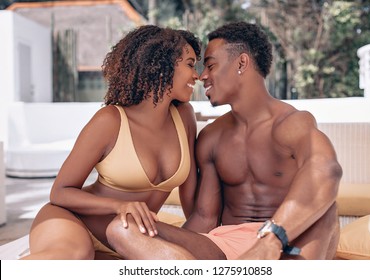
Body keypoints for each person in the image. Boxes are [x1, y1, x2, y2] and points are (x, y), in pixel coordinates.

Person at [106, 21, 343, 260]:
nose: (203, 76)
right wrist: (163, 245)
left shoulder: (292, 124)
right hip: (227, 246)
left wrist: (269, 241)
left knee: (327, 209)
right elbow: (205, 217)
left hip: (286, 242)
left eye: (210, 65)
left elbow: (326, 170)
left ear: (241, 63)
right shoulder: (212, 137)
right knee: (122, 228)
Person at [21, 25, 201, 260]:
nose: (196, 75)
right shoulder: (110, 120)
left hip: (128, 238)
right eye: (190, 64)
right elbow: (60, 192)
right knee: (75, 256)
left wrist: (196, 241)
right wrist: (118, 206)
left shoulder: (184, 116)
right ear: (161, 66)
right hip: (75, 222)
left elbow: (191, 200)